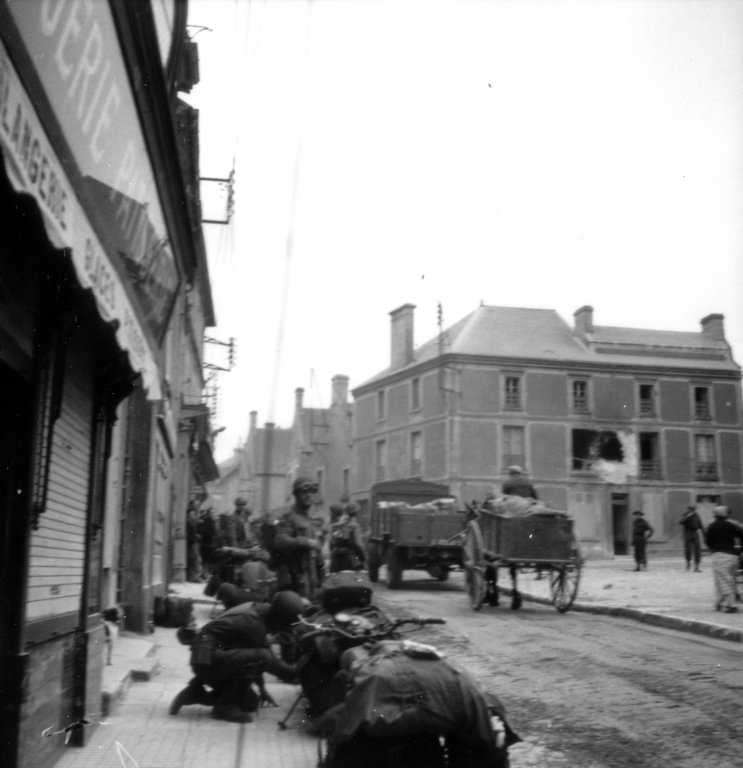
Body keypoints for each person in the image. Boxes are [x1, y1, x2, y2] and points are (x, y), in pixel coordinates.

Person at [169, 590, 304, 722]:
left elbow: (252, 651)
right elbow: (267, 659)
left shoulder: (257, 609)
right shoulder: (253, 623)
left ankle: (195, 693)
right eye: (284, 624)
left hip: (209, 658)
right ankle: (224, 706)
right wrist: (296, 671)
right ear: (279, 618)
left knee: (250, 703)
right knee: (263, 657)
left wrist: (262, 689)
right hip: (208, 662)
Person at [274, 478, 324, 599]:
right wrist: (305, 542)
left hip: (311, 577)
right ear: (296, 495)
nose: (309, 496)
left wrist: (321, 574)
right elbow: (280, 541)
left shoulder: (309, 519)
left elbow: (317, 552)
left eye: (312, 493)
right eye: (304, 493)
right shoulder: (289, 517)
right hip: (295, 576)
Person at [704, 505, 743, 613]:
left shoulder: (712, 526)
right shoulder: (731, 525)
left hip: (720, 555)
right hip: (733, 556)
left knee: (723, 580)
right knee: (727, 579)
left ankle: (731, 605)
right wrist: (740, 550)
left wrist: (713, 548)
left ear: (715, 515)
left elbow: (708, 541)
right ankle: (718, 603)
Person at [329, 502, 366, 572]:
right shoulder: (356, 527)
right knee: (360, 576)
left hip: (337, 560)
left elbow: (332, 542)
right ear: (356, 513)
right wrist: (364, 559)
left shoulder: (337, 526)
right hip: (353, 560)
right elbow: (359, 545)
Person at [679, 505, 704, 572]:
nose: (691, 510)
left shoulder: (697, 516)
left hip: (695, 534)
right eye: (690, 509)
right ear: (688, 509)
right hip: (687, 534)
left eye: (693, 509)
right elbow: (681, 522)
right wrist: (688, 516)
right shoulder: (685, 515)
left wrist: (704, 534)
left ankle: (696, 567)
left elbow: (700, 525)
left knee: (697, 551)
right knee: (688, 550)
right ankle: (688, 564)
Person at [198, 507, 218, 578]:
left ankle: (204, 574)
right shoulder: (207, 520)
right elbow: (208, 531)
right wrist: (213, 535)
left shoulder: (211, 521)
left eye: (213, 512)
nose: (213, 514)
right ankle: (205, 574)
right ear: (209, 513)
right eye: (212, 512)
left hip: (208, 543)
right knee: (206, 560)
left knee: (206, 560)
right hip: (206, 543)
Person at [185, 504, 202, 582]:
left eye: (194, 514)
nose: (193, 516)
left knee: (194, 560)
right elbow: (189, 534)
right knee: (192, 560)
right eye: (192, 514)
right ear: (188, 515)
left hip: (193, 544)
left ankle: (194, 576)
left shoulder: (192, 523)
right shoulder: (187, 523)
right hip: (190, 544)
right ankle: (192, 577)